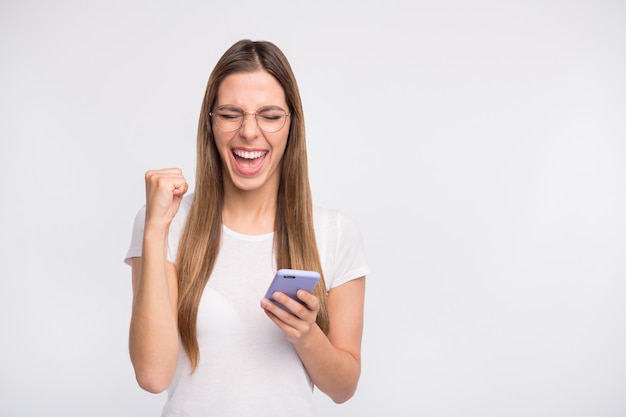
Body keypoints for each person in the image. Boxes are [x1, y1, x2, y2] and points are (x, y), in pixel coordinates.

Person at [124, 39, 369, 417]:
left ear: (292, 126)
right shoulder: (164, 223)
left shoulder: (335, 232)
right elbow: (153, 375)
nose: (249, 132)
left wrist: (307, 335)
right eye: (230, 114)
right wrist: (156, 230)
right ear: (210, 123)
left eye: (270, 115)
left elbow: (343, 388)